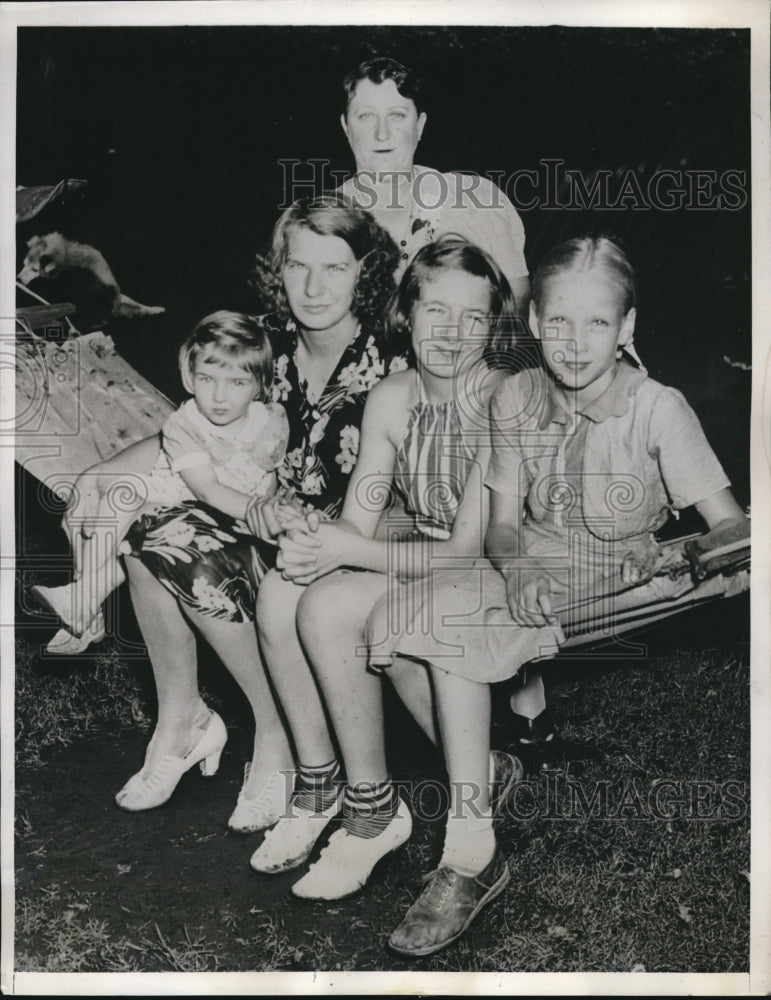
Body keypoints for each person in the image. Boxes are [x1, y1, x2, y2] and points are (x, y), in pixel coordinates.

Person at [274, 234, 748, 957]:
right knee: (389, 612)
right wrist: (517, 566)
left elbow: (728, 528)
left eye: (596, 324)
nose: (574, 342)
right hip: (529, 568)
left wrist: (690, 568)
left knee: (443, 620)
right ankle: (425, 796)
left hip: (620, 578)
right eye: (557, 321)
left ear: (626, 329)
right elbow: (500, 527)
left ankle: (468, 856)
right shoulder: (518, 396)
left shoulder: (657, 410)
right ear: (531, 324)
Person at [61, 195, 405, 824]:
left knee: (176, 552)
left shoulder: (393, 355)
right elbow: (194, 432)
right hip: (258, 520)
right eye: (298, 266)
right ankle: (180, 723)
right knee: (146, 534)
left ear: (365, 270)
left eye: (335, 268)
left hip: (347, 544)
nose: (314, 286)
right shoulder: (261, 341)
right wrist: (106, 473)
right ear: (279, 268)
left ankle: (274, 732)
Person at [253, 237, 528, 924]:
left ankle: (423, 821)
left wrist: (344, 550)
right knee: (304, 598)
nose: (450, 332)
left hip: (494, 569)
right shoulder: (392, 396)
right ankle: (364, 802)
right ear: (407, 312)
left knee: (348, 606)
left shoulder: (500, 401)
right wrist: (317, 543)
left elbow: (468, 553)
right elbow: (362, 520)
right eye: (435, 310)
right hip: (423, 554)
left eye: (472, 317)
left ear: (493, 326)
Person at [34, 311, 291, 656]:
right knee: (120, 497)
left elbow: (270, 473)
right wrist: (255, 506)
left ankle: (85, 605)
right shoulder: (185, 425)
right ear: (188, 376)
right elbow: (204, 489)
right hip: (181, 499)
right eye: (207, 378)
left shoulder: (267, 422)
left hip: (229, 524)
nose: (219, 396)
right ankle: (85, 597)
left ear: (260, 385)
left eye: (237, 383)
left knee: (128, 513)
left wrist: (266, 510)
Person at [336, 56, 530, 310]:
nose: (381, 134)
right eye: (366, 116)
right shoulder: (322, 220)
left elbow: (516, 307)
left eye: (397, 115)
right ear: (346, 127)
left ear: (420, 125)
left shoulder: (474, 201)